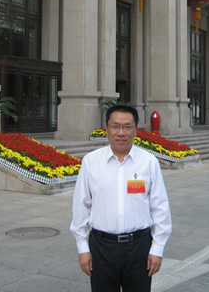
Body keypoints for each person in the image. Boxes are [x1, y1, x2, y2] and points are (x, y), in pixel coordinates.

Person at [70, 105, 172, 292]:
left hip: (139, 248)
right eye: (115, 126)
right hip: (102, 248)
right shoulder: (91, 162)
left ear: (136, 130)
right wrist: (82, 247)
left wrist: (157, 249)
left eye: (127, 127)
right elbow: (81, 207)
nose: (121, 133)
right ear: (107, 129)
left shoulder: (148, 162)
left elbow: (160, 207)